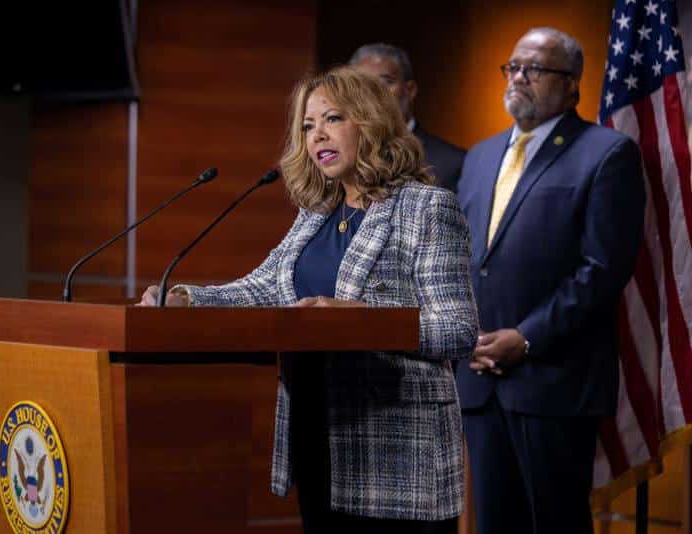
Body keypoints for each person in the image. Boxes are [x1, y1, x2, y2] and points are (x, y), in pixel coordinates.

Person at [140, 66, 478, 533]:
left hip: (396, 451)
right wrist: (185, 299)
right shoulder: (315, 214)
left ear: (372, 122)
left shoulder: (425, 207)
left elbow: (457, 329)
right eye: (306, 125)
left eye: (333, 119)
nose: (316, 134)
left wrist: (360, 320)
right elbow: (262, 289)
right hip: (319, 431)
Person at [455, 27, 645, 534]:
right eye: (513, 66)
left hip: (553, 383)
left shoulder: (606, 154)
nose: (519, 77)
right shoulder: (479, 156)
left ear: (571, 87)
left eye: (535, 69)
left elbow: (603, 269)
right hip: (479, 379)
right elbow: (464, 260)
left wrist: (526, 337)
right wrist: (463, 336)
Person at [350, 43, 466, 192]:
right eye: (363, 84)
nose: (374, 93)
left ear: (410, 90)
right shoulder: (342, 158)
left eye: (385, 82)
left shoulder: (452, 163)